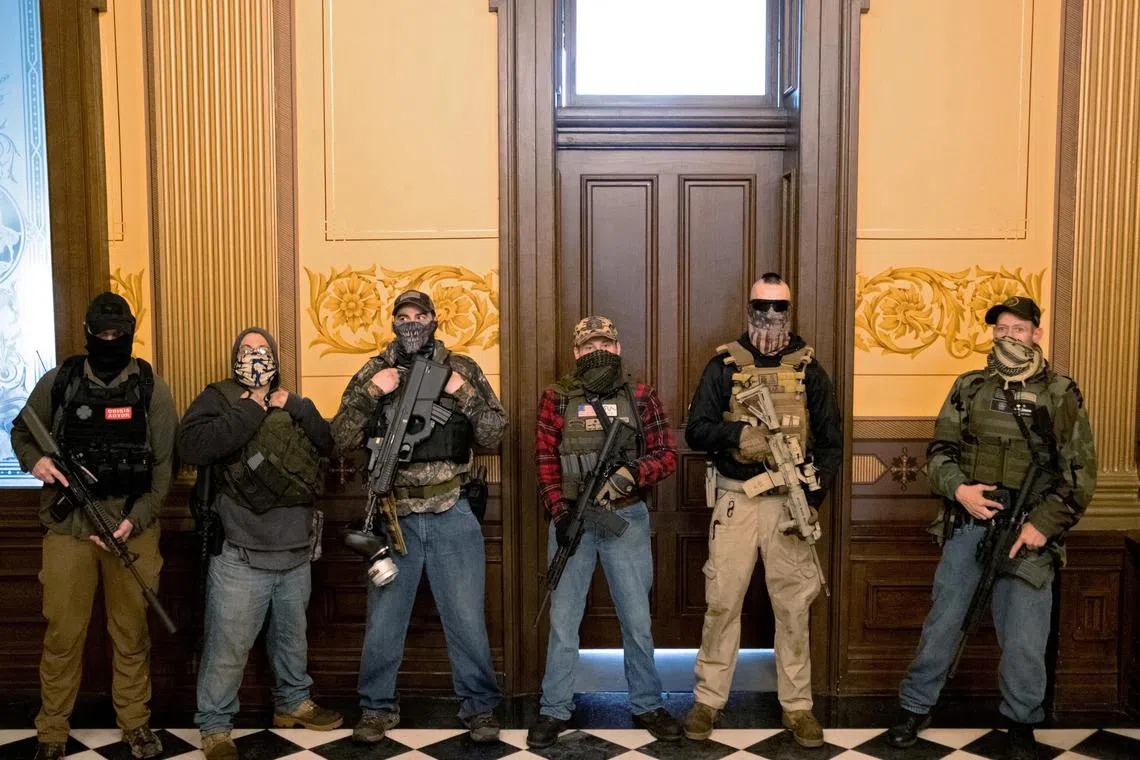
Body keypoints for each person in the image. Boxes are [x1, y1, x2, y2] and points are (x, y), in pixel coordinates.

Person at [886, 296, 1096, 760]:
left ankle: (1021, 721)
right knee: (943, 623)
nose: (1008, 337)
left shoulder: (1061, 394)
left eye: (1018, 329)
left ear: (1036, 335)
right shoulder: (971, 386)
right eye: (1001, 329)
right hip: (970, 523)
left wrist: (1042, 525)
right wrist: (960, 490)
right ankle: (915, 707)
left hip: (1028, 533)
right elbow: (939, 452)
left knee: (1024, 635)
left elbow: (1080, 475)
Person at [331, 289, 508, 743]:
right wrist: (376, 390)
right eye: (403, 316)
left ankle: (481, 710)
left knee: (467, 618)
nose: (412, 323)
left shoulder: (461, 367)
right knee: (385, 621)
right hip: (396, 516)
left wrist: (460, 390)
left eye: (420, 315)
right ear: (393, 321)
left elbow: (495, 430)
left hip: (452, 511)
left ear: (434, 318)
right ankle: (375, 709)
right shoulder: (376, 369)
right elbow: (340, 436)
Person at [9, 293, 177, 760]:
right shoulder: (60, 381)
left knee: (131, 634)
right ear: (87, 334)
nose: (109, 342)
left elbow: (163, 469)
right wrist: (36, 461)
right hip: (69, 533)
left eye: (117, 335)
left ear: (129, 333)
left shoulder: (150, 388)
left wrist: (133, 521)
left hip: (132, 530)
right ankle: (52, 730)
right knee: (63, 635)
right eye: (101, 335)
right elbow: (21, 431)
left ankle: (136, 725)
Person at [683, 273, 843, 748]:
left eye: (779, 307)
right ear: (748, 307)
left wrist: (810, 501)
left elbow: (831, 445)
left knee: (793, 609)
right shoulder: (724, 366)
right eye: (761, 306)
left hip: (787, 506)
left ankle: (798, 707)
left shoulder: (810, 370)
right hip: (737, 501)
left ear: (791, 311)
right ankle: (708, 700)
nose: (770, 316)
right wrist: (736, 437)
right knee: (722, 602)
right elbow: (697, 430)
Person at [176, 328, 342, 760]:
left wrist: (300, 407)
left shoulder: (292, 399)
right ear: (234, 357)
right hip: (240, 551)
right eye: (247, 350)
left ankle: (293, 702)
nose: (255, 357)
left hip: (295, 546)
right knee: (227, 645)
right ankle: (215, 727)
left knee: (292, 638)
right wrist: (250, 408)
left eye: (262, 350)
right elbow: (191, 446)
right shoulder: (220, 397)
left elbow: (329, 445)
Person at [526, 316, 683, 748]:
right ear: (576, 353)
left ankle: (647, 703)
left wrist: (633, 473)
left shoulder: (639, 396)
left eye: (605, 343)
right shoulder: (556, 398)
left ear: (617, 348)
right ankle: (554, 708)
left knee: (636, 620)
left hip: (625, 518)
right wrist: (559, 512)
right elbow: (545, 460)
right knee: (562, 621)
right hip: (573, 519)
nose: (597, 351)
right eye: (588, 345)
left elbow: (666, 454)